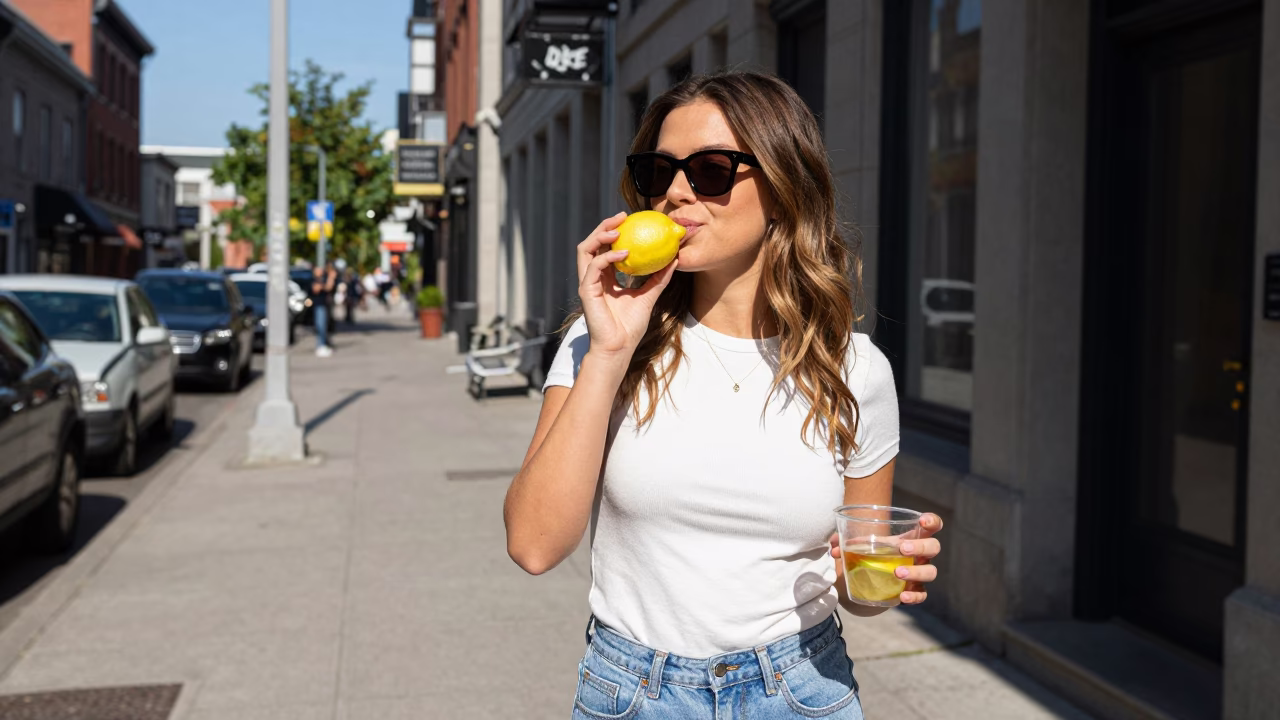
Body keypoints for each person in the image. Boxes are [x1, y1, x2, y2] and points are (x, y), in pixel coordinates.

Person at [504, 71, 944, 719]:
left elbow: (861, 590)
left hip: (802, 690)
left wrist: (890, 575)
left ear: (783, 188)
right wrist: (609, 351)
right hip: (634, 693)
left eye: (710, 170)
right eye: (660, 171)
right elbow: (534, 546)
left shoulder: (854, 368)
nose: (677, 192)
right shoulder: (601, 343)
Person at [312, 261, 337, 357]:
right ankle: (320, 346)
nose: (320, 271)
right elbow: (317, 289)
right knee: (320, 326)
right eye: (318, 270)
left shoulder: (322, 279)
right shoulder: (314, 279)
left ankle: (323, 344)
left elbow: (329, 288)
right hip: (318, 306)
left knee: (324, 326)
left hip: (324, 305)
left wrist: (331, 278)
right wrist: (325, 284)